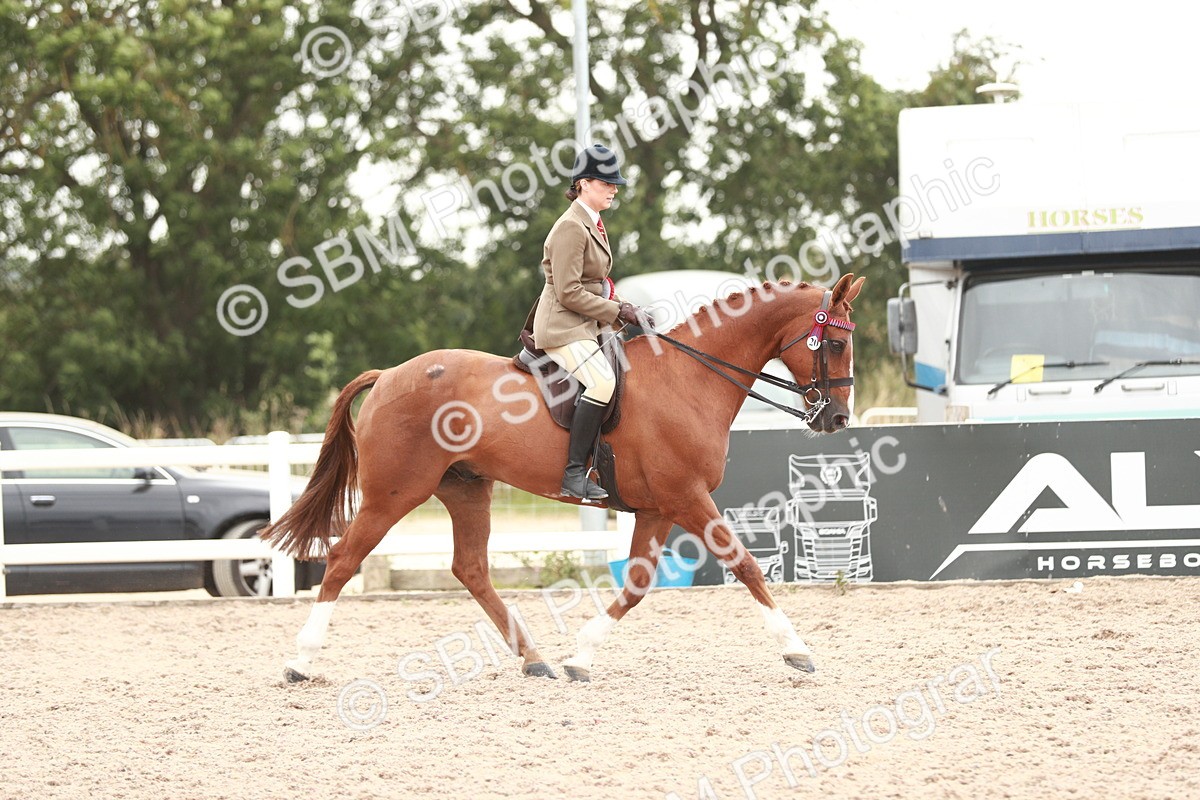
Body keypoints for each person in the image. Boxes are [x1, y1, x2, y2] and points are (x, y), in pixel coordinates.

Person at [533, 144, 647, 501]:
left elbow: (593, 283)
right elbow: (568, 292)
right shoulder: (571, 227)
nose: (614, 188)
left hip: (585, 325)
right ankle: (573, 473)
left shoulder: (592, 222)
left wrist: (625, 307)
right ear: (583, 183)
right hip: (562, 328)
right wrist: (616, 312)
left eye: (615, 183)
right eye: (606, 182)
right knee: (602, 383)